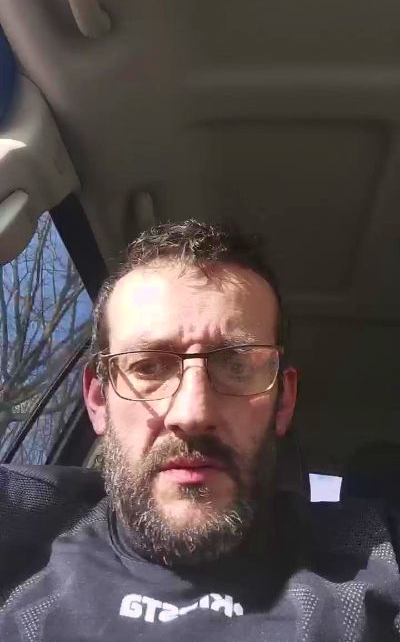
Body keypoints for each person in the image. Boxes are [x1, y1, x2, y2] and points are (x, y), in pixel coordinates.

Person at [1, 220, 400, 641]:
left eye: (238, 366)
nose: (192, 414)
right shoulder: (19, 527)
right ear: (99, 401)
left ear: (283, 401)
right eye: (148, 367)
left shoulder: (379, 557)